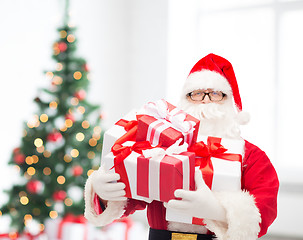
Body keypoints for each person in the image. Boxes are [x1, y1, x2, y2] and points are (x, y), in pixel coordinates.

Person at [84, 53, 279, 240]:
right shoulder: (161, 146)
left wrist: (217, 210)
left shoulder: (251, 156)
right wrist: (102, 191)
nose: (205, 100)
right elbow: (134, 191)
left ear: (230, 102)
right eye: (197, 94)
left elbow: (265, 207)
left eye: (216, 94)